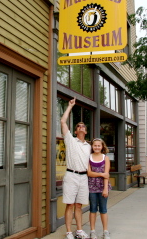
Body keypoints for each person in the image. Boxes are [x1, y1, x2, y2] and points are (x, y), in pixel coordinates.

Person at [60, 97, 91, 239]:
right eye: (78, 126)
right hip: (71, 176)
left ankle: (79, 230)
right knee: (70, 205)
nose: (81, 127)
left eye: (83, 126)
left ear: (86, 131)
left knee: (79, 205)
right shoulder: (70, 140)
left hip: (83, 177)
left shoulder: (89, 146)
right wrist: (70, 107)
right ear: (75, 130)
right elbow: (63, 122)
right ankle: (68, 232)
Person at [87, 138, 111, 239]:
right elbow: (89, 173)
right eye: (95, 145)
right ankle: (92, 231)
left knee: (103, 210)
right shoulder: (89, 157)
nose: (97, 147)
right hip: (91, 187)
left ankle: (105, 231)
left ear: (102, 147)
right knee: (93, 209)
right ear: (92, 146)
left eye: (99, 146)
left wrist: (105, 189)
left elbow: (107, 175)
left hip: (102, 187)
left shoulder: (105, 158)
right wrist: (101, 174)